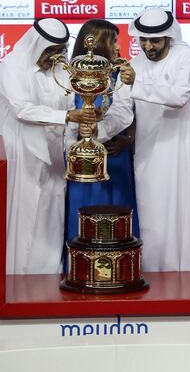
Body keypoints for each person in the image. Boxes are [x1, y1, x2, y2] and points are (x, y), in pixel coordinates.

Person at [101, 8, 190, 271]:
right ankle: (156, 276)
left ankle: (189, 275)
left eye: (155, 41)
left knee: (185, 216)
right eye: (143, 40)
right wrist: (97, 131)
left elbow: (178, 97)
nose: (148, 46)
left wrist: (137, 84)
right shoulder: (135, 64)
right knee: (153, 218)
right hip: (149, 153)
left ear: (168, 37)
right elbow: (123, 111)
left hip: (182, 151)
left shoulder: (188, 57)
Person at [0, 19, 96, 274]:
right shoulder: (12, 65)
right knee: (22, 217)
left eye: (60, 50)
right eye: (49, 50)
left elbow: (68, 108)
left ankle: (47, 279)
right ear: (35, 45)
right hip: (21, 153)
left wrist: (80, 131)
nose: (55, 56)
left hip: (54, 155)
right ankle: (13, 278)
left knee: (50, 219)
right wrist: (67, 117)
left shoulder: (60, 69)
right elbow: (22, 109)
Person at [65, 19, 138, 243]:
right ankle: (78, 271)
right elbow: (63, 115)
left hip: (114, 158)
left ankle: (123, 270)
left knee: (118, 217)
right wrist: (80, 136)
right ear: (96, 43)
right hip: (79, 161)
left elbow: (125, 112)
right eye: (113, 41)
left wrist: (101, 132)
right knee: (82, 215)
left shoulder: (120, 75)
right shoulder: (68, 77)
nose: (118, 46)